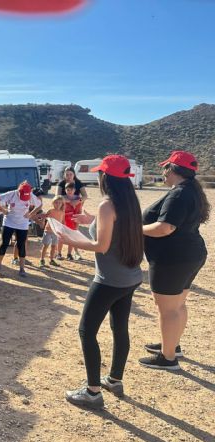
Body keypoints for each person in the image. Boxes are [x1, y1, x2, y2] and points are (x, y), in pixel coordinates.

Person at [58, 155, 143, 409]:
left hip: (109, 280)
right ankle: (115, 379)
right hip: (130, 278)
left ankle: (93, 392)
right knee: (120, 329)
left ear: (105, 177)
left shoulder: (108, 205)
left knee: (86, 331)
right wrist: (91, 221)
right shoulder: (129, 201)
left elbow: (101, 246)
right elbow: (113, 229)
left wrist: (68, 239)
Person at [139, 151, 209, 370]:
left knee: (168, 310)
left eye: (165, 168)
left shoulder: (179, 194)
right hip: (189, 255)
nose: (163, 172)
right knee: (178, 305)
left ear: (172, 169)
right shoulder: (190, 191)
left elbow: (164, 228)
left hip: (172, 259)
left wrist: (134, 228)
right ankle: (172, 344)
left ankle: (167, 358)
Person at [0, 181, 42, 278]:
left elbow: (39, 205)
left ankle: (22, 268)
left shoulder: (30, 195)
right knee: (5, 243)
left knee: (21, 244)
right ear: (19, 191)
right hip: (9, 222)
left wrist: (31, 214)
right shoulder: (11, 194)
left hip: (22, 223)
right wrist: (3, 210)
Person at [39, 196, 65, 267]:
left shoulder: (62, 212)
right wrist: (42, 223)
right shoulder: (51, 210)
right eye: (56, 203)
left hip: (56, 232)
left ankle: (51, 260)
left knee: (54, 246)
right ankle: (42, 259)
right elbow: (44, 217)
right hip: (48, 230)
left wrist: (63, 230)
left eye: (60, 203)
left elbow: (62, 222)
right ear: (53, 203)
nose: (58, 204)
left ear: (62, 204)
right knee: (45, 245)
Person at [61, 182, 83, 261]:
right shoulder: (62, 198)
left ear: (74, 190)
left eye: (71, 189)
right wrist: (69, 202)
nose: (69, 191)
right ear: (65, 190)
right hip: (64, 219)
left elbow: (79, 211)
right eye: (68, 189)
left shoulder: (78, 198)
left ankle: (69, 253)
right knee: (61, 236)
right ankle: (59, 253)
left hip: (73, 219)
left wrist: (78, 221)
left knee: (72, 237)